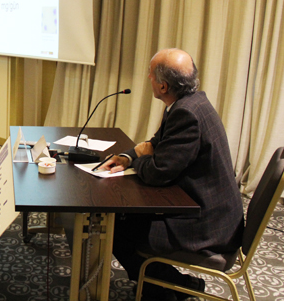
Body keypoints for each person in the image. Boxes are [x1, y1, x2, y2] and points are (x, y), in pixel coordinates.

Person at [96, 48, 244, 300]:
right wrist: (128, 156)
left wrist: (143, 159)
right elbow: (156, 143)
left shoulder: (186, 114)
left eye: (151, 74)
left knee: (117, 229)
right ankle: (172, 285)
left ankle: (166, 289)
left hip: (207, 225)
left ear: (163, 86)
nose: (148, 78)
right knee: (124, 219)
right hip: (210, 211)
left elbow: (158, 172)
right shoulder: (191, 102)